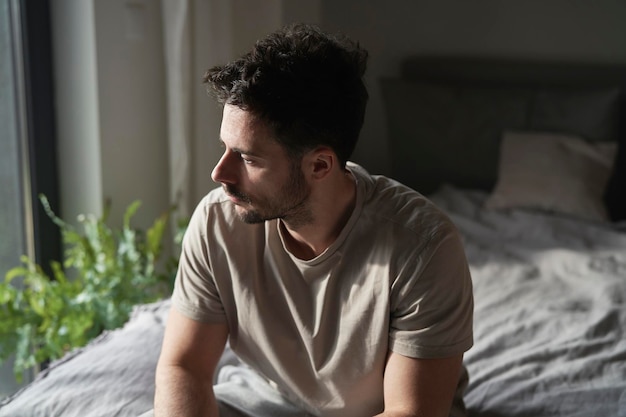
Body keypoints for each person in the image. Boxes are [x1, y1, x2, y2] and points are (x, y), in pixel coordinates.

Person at [152, 23, 473, 417]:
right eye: (225, 148)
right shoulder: (218, 222)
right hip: (264, 403)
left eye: (249, 158)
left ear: (320, 165)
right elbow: (184, 366)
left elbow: (411, 412)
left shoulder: (423, 247)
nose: (220, 174)